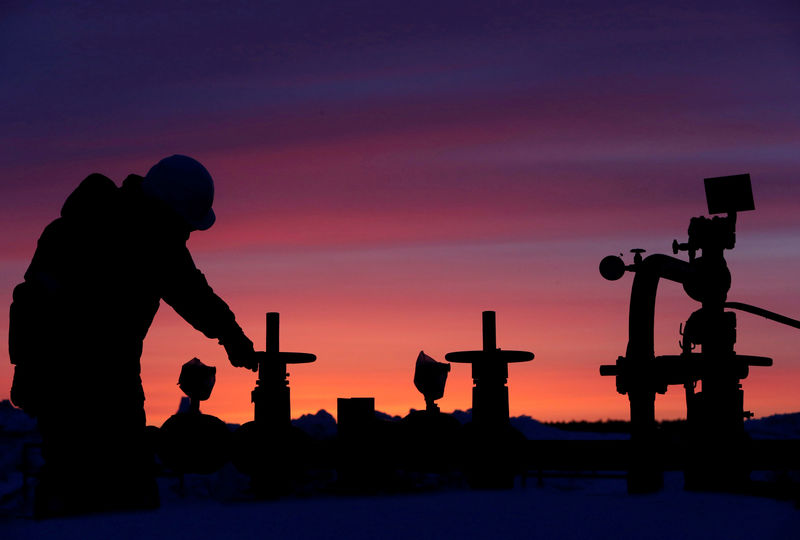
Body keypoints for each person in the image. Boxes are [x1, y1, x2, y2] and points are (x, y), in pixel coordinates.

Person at [8, 155, 259, 517]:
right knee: (109, 487)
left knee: (85, 482)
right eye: (185, 224)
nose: (187, 234)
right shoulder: (146, 241)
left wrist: (232, 337)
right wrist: (233, 338)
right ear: (168, 210)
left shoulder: (119, 233)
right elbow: (34, 305)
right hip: (75, 383)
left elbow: (194, 295)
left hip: (92, 381)